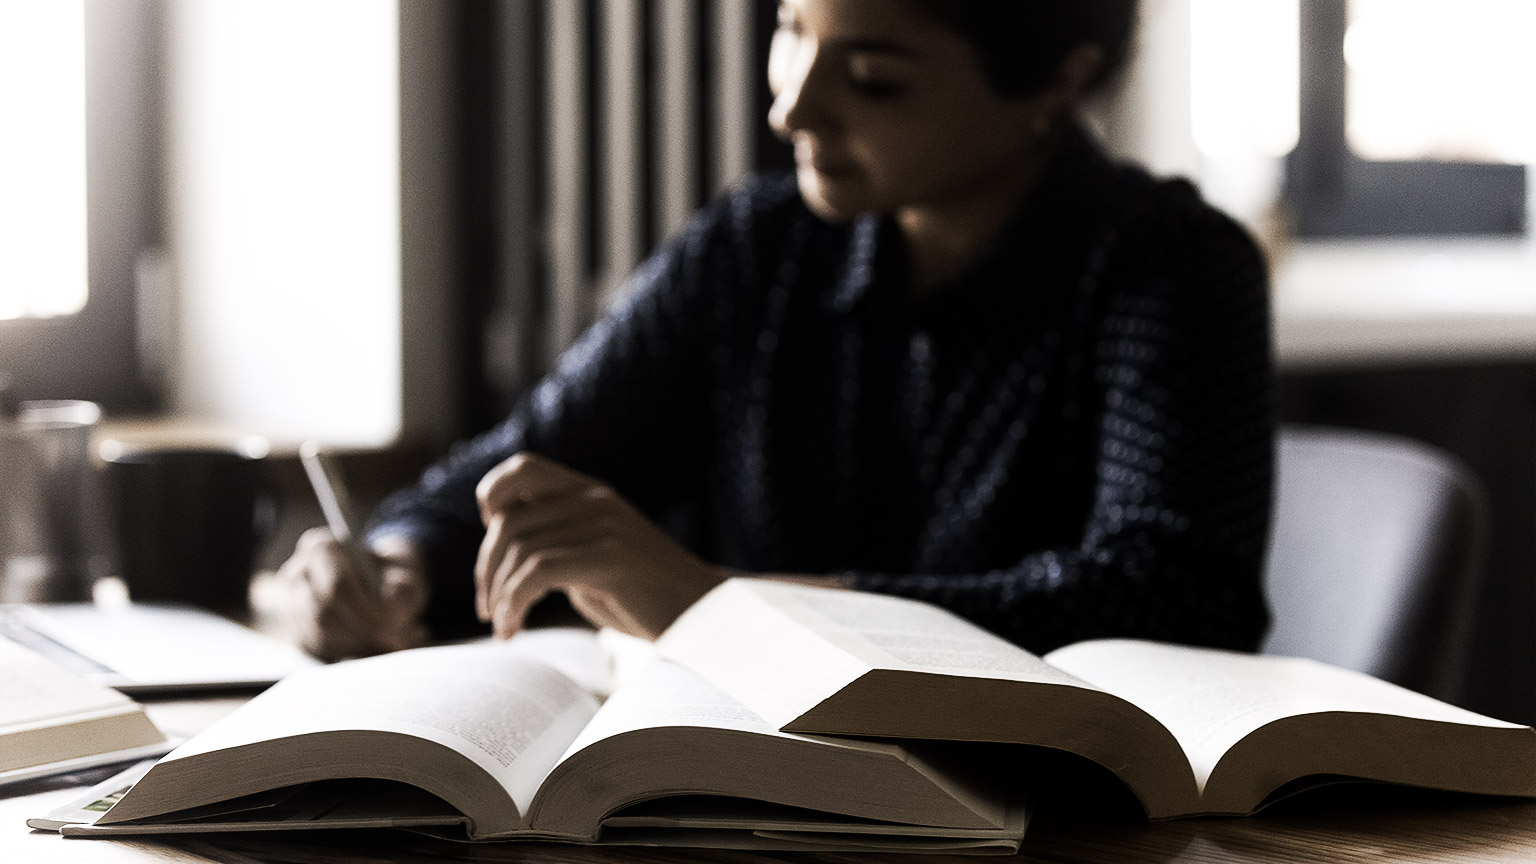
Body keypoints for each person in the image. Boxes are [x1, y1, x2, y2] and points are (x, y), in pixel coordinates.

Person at [275, 0, 1274, 662]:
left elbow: (1176, 596)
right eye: (793, 28)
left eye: (875, 78)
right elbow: (533, 458)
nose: (792, 104)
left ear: (1055, 82)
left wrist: (728, 609)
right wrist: (396, 564)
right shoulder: (759, 246)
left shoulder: (1169, 267)